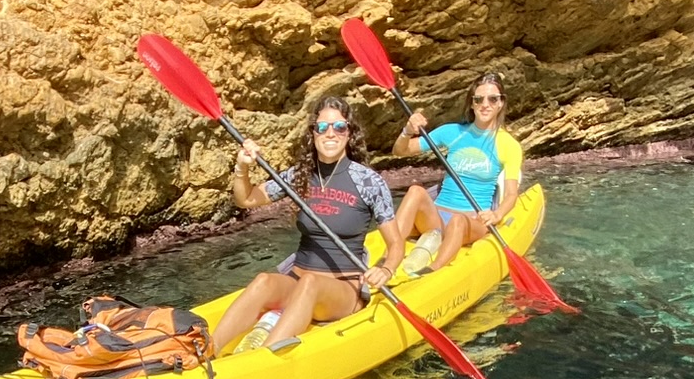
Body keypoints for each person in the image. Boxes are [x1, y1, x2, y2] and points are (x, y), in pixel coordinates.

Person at [211, 96, 406, 354]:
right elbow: (246, 199)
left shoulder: (368, 182)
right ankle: (206, 352)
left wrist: (387, 270)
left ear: (349, 134)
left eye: (339, 127)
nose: (330, 134)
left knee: (310, 283)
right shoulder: (300, 174)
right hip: (297, 280)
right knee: (263, 281)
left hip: (342, 289)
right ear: (313, 133)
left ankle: (261, 361)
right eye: (322, 127)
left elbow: (396, 244)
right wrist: (242, 168)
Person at [390, 70, 523, 272]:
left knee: (458, 221)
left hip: (471, 221)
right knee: (416, 191)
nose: (485, 104)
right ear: (471, 103)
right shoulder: (452, 132)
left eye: (492, 99)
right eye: (479, 99)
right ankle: (390, 256)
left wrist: (496, 215)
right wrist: (407, 131)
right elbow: (400, 151)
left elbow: (512, 194)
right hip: (436, 216)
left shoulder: (508, 144)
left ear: (501, 103)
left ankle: (432, 271)